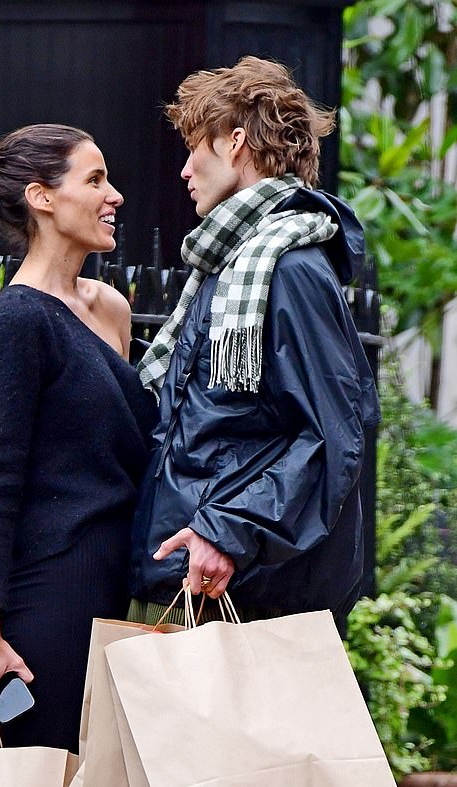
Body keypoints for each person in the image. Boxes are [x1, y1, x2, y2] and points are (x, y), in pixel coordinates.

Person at [128, 56, 381, 632]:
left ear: (235, 142)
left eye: (194, 148)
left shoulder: (288, 269)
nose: (186, 171)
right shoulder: (236, 265)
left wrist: (228, 531)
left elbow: (331, 435)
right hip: (202, 576)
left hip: (241, 590)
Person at [0, 124, 157, 752]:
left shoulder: (110, 308)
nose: (114, 195)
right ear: (43, 198)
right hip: (48, 595)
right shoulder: (15, 321)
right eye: (94, 180)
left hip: (114, 585)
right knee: (50, 764)